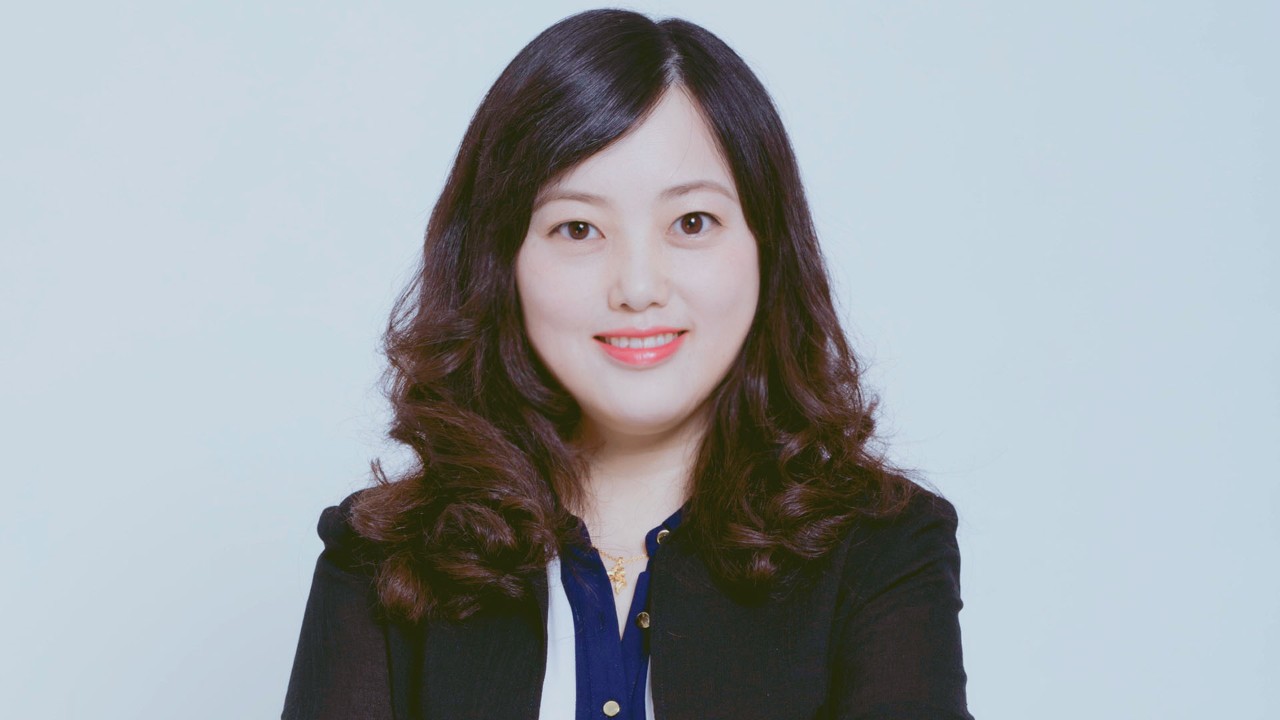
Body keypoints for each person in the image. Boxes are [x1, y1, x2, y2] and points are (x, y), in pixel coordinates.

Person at [282, 8, 972, 720]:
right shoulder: (381, 558)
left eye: (692, 223)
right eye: (578, 228)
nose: (638, 287)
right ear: (499, 261)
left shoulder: (885, 551)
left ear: (768, 246)